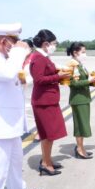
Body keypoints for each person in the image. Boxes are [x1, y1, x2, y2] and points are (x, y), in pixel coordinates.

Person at [0, 23, 44, 189]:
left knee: (15, 165)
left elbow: (15, 80)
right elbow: (7, 74)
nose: (15, 47)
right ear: (4, 41)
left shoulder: (2, 59)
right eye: (13, 43)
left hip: (8, 127)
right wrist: (19, 53)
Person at [30, 29, 70, 176]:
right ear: (46, 44)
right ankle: (45, 164)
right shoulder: (39, 57)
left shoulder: (43, 56)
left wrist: (57, 72)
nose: (55, 46)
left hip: (48, 100)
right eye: (54, 43)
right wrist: (57, 76)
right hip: (43, 102)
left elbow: (46, 73)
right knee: (48, 135)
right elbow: (38, 79)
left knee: (49, 134)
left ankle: (47, 160)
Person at [67, 43, 95, 159]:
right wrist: (88, 81)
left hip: (83, 98)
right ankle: (80, 149)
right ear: (75, 53)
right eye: (83, 52)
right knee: (80, 125)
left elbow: (83, 80)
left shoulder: (79, 65)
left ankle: (81, 147)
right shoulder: (73, 65)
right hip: (78, 99)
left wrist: (93, 81)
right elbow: (73, 83)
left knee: (83, 124)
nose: (85, 54)